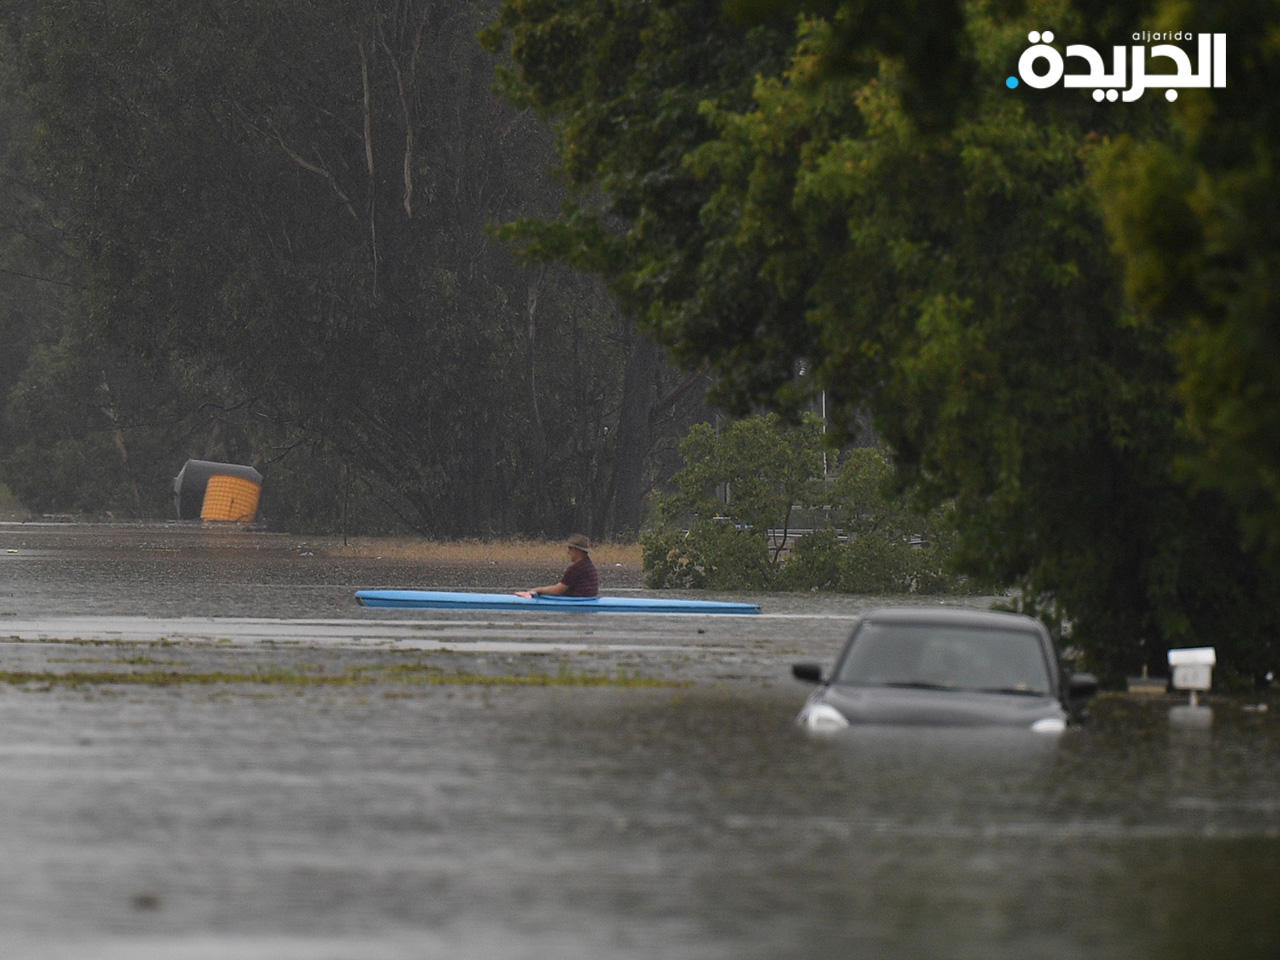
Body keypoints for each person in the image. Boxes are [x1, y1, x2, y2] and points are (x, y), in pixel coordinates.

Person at [515, 534, 599, 598]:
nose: (568, 552)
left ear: (578, 551)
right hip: (587, 598)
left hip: (579, 600)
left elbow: (557, 590)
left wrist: (536, 590)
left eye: (570, 548)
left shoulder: (576, 568)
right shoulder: (588, 564)